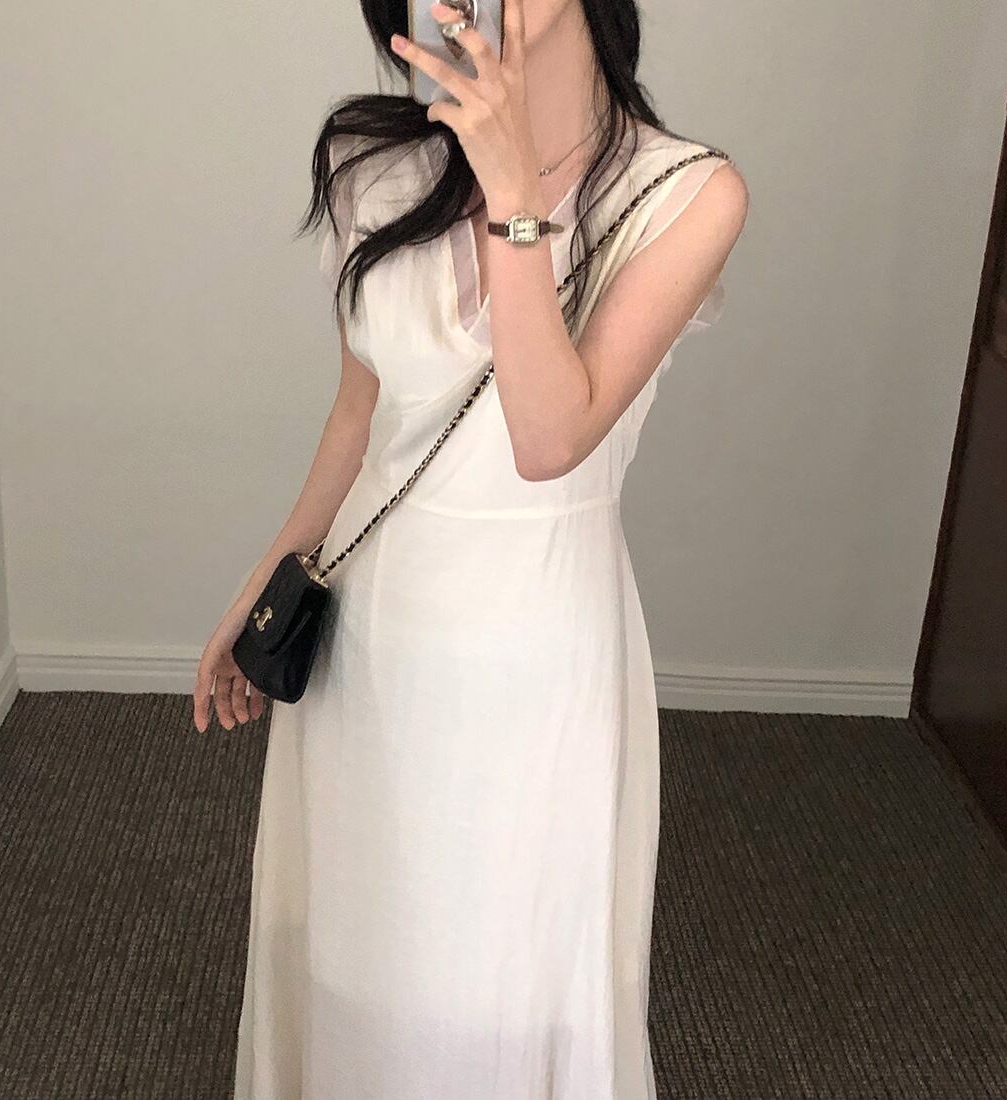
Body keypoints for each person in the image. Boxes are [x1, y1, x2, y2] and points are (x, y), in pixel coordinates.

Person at [195, 0, 748, 1095]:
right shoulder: (372, 166)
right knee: (362, 940)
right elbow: (358, 415)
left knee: (502, 961)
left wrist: (512, 197)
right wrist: (263, 582)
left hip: (534, 644)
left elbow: (549, 435)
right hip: (372, 633)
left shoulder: (685, 193)